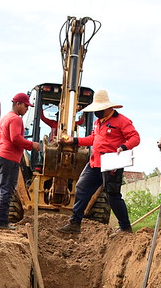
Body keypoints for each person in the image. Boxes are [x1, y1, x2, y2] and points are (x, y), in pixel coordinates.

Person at [57, 90, 140, 234]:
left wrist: (123, 147)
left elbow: (135, 137)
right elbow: (93, 139)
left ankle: (125, 227)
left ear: (107, 107)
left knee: (112, 195)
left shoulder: (122, 121)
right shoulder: (97, 122)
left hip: (111, 162)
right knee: (82, 187)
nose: (96, 112)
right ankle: (75, 223)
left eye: (99, 109)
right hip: (95, 162)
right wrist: (74, 140)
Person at [0, 93, 40, 230]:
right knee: (6, 190)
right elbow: (15, 138)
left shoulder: (5, 118)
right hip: (9, 159)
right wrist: (33, 145)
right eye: (26, 106)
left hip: (0, 156)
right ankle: (1, 222)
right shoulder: (16, 119)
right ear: (18, 104)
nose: (26, 109)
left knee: (0, 190)